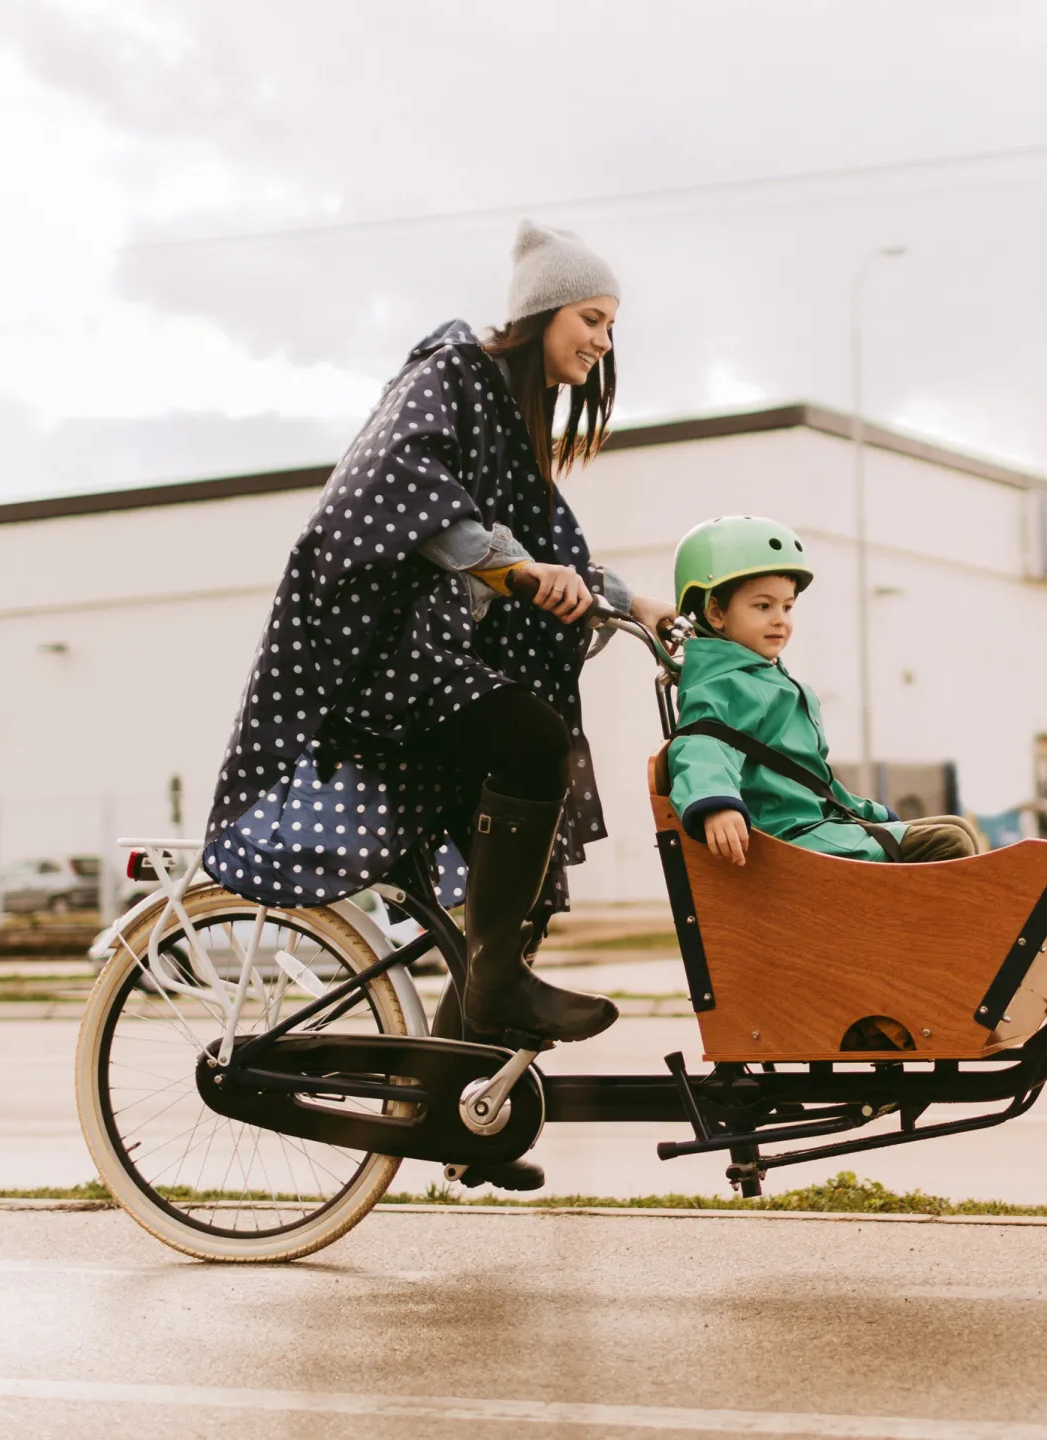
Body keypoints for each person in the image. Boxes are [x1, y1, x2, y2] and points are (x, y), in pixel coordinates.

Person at [201, 222, 678, 1192]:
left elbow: (552, 552)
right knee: (532, 740)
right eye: (592, 318)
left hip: (431, 658)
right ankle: (496, 988)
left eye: (611, 326)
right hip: (377, 650)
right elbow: (403, 490)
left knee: (518, 879)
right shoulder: (452, 369)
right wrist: (515, 572)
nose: (603, 341)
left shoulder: (510, 426)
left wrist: (644, 607)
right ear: (544, 310)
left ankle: (456, 1119)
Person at [663, 516, 985, 867]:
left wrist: (868, 812)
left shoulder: (767, 681)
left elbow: (812, 780)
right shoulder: (723, 685)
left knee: (956, 827)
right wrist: (717, 804)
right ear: (716, 612)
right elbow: (702, 742)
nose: (780, 619)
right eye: (763, 606)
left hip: (816, 825)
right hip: (789, 837)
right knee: (948, 842)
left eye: (787, 607)